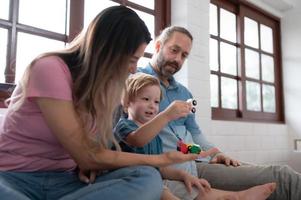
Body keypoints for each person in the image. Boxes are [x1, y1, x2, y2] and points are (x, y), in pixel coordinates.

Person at [0, 7, 200, 200]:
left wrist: (87, 166)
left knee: (147, 177)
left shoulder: (104, 90)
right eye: (131, 60)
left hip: (66, 182)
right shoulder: (49, 69)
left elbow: (91, 155)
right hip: (14, 178)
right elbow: (87, 155)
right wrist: (162, 159)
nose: (133, 70)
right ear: (106, 50)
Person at [138, 25, 301, 200]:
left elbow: (193, 133)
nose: (177, 59)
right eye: (174, 50)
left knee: (281, 175)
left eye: (184, 55)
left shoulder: (185, 93)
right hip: (172, 170)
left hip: (197, 163)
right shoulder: (136, 82)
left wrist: (215, 153)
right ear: (157, 46)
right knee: (282, 178)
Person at [114, 72, 276, 200]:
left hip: (155, 178)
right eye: (146, 99)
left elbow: (160, 167)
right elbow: (138, 139)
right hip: (134, 180)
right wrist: (165, 115)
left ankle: (235, 196)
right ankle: (233, 197)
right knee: (164, 190)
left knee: (195, 187)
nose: (152, 105)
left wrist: (185, 175)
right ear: (127, 102)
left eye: (157, 102)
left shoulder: (156, 136)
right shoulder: (124, 126)